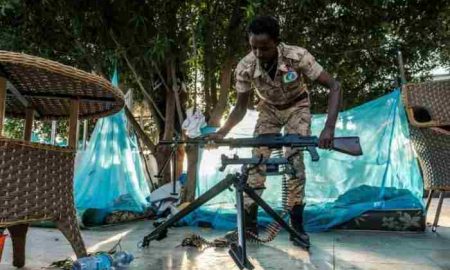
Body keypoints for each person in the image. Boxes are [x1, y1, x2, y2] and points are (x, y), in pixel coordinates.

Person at [207, 15, 341, 246]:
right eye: (253, 47)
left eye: (265, 48)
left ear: (277, 42)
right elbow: (240, 108)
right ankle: (248, 227)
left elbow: (335, 86)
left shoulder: (297, 56)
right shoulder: (245, 66)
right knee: (255, 162)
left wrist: (329, 128)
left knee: (295, 162)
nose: (258, 53)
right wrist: (223, 132)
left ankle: (296, 227)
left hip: (297, 107)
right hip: (268, 109)